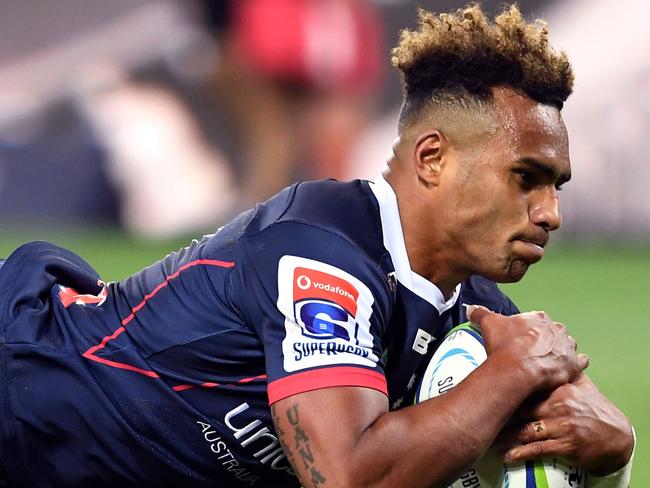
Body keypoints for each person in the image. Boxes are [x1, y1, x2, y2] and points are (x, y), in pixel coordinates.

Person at [0, 5, 635, 487]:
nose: (550, 213)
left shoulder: (473, 309)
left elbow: (587, 425)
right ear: (433, 158)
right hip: (22, 410)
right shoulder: (321, 249)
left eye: (557, 186)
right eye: (525, 177)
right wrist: (517, 370)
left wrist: (618, 447)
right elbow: (346, 478)